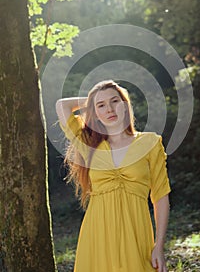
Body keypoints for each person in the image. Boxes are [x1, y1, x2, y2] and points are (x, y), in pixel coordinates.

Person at [56, 79, 171, 272]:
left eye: (115, 102)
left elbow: (161, 196)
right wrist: (93, 101)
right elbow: (62, 105)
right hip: (97, 232)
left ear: (126, 106)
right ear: (95, 113)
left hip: (136, 232)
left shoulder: (151, 142)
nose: (109, 109)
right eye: (102, 106)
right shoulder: (88, 144)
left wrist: (158, 246)